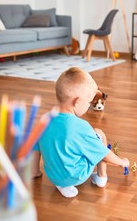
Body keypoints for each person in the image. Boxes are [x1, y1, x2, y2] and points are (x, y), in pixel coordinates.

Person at [31, 67, 129, 198]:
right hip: (77, 176)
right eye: (89, 102)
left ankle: (59, 183)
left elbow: (35, 147)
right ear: (77, 102)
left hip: (53, 176)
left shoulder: (44, 119)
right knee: (99, 133)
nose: (89, 106)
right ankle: (101, 178)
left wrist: (35, 171)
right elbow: (103, 153)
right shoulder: (81, 126)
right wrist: (122, 162)